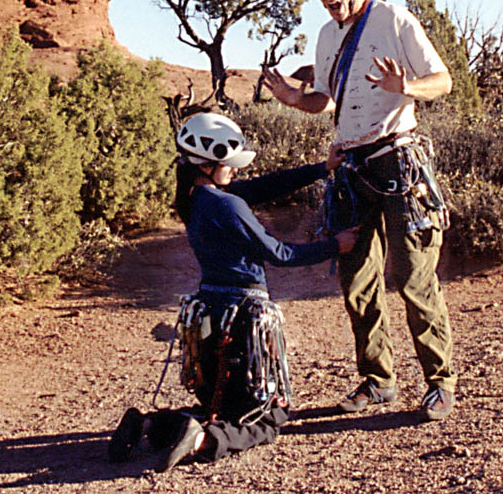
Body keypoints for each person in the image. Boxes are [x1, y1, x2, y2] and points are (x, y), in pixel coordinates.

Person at [261, 0, 458, 422]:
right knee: (357, 281)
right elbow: (324, 100)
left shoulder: (394, 20)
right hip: (352, 169)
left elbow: (443, 80)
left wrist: (405, 87)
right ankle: (378, 380)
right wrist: (291, 98)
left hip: (398, 162)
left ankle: (439, 383)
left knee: (413, 278)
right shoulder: (327, 37)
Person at [107, 112, 357, 472]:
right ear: (207, 165)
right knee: (270, 417)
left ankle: (149, 424)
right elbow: (278, 253)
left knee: (222, 407)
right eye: (229, 164)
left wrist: (321, 168)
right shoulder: (227, 204)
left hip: (211, 315)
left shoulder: (196, 199)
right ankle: (202, 440)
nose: (236, 171)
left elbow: (263, 187)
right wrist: (335, 245)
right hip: (241, 323)